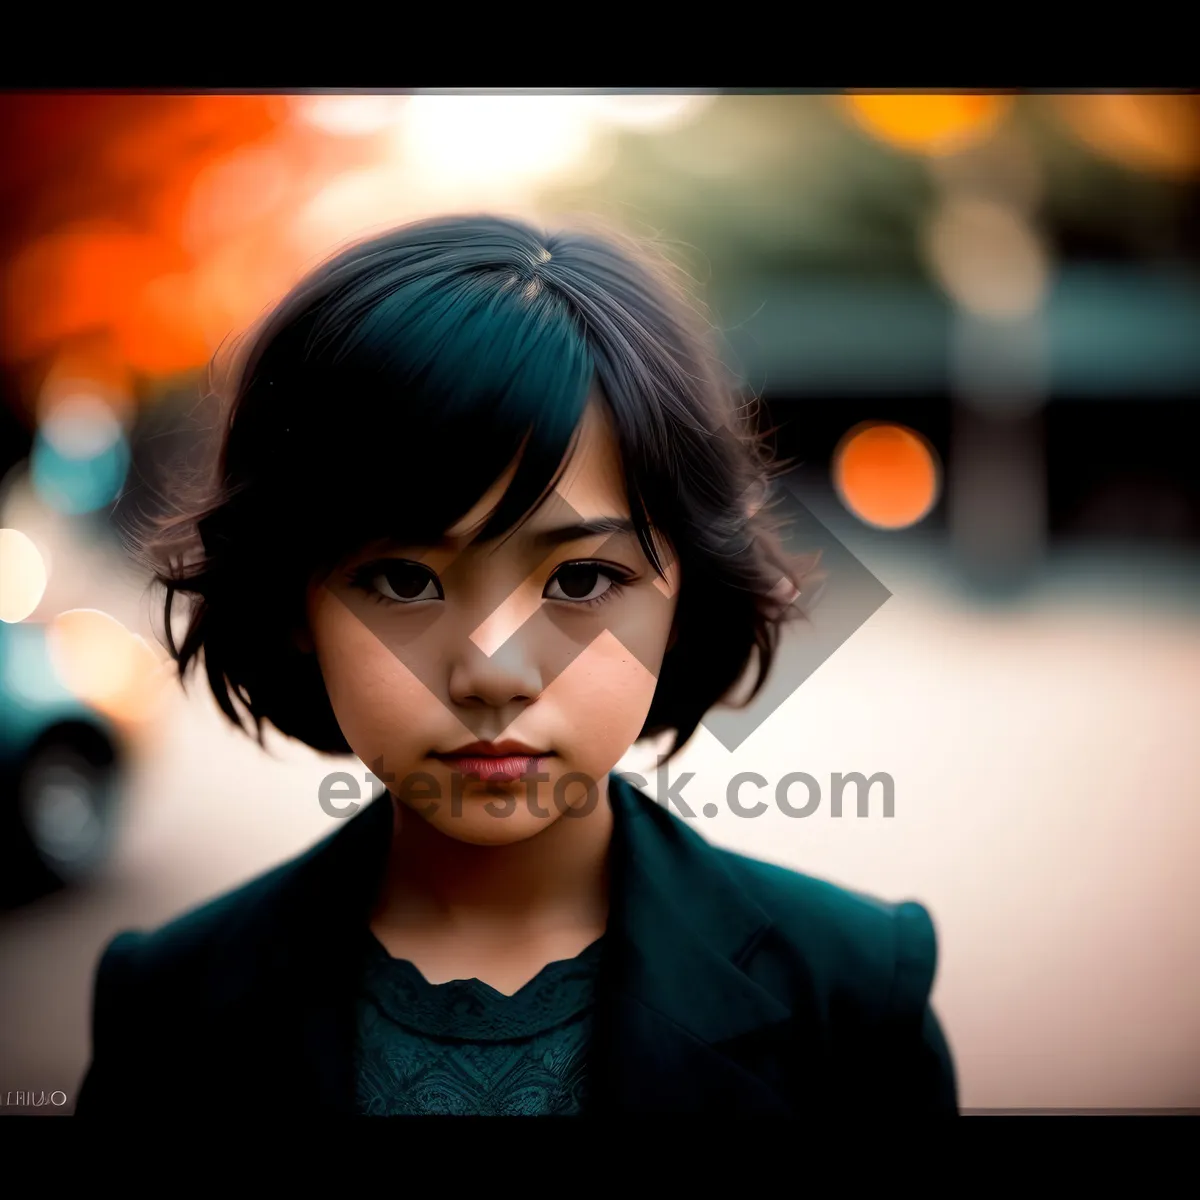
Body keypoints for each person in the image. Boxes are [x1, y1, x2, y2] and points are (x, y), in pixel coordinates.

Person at [75, 213, 957, 1117]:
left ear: (684, 601)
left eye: (581, 577)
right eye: (403, 578)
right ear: (296, 603)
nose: (492, 674)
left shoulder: (852, 995)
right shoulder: (168, 1007)